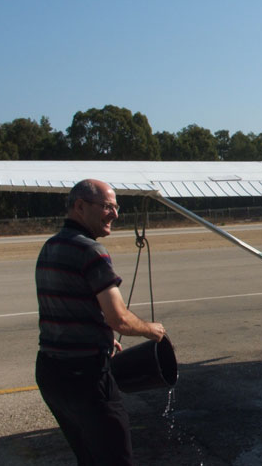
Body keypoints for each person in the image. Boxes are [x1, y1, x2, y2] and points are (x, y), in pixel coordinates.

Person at [35, 179, 166, 465]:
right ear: (80, 206)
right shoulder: (91, 251)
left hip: (50, 372)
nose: (115, 214)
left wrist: (101, 336)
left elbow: (65, 307)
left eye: (116, 207)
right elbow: (119, 318)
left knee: (89, 457)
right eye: (107, 206)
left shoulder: (50, 247)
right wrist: (151, 330)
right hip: (85, 376)